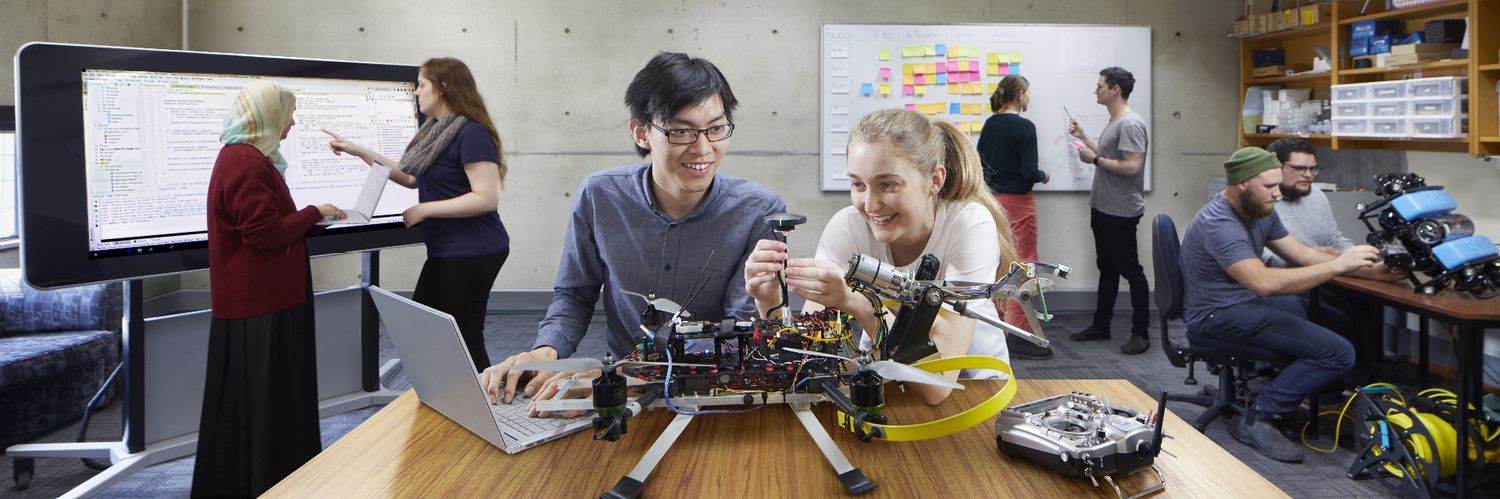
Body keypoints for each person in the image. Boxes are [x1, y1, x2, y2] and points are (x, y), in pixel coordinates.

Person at [479, 52, 786, 405]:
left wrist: (634, 372)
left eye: (716, 129)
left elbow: (737, 334)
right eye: (681, 131)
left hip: (716, 393)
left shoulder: (761, 212)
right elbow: (575, 295)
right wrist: (547, 352)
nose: (703, 149)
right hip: (620, 394)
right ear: (641, 132)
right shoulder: (600, 197)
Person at [744, 108, 1020, 405]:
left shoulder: (968, 224)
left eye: (888, 184)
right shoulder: (847, 227)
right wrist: (770, 301)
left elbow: (937, 385)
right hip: (886, 383)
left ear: (935, 180)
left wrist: (857, 303)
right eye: (858, 184)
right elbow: (806, 357)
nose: (871, 204)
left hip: (973, 390)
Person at [1180, 147, 1379, 463]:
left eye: (1277, 185)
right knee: (1338, 352)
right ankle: (1260, 415)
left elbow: (1302, 255)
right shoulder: (1220, 223)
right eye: (1269, 187)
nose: (1277, 193)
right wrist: (1338, 266)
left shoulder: (1260, 210)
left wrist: (1374, 268)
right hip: (1216, 317)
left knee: (1336, 321)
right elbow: (1264, 282)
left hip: (1247, 305)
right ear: (1242, 183)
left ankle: (1305, 395)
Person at [194, 81, 344, 497]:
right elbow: (262, 234)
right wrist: (316, 212)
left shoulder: (247, 158)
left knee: (262, 404)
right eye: (287, 114)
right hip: (262, 304)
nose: (292, 123)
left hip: (262, 300)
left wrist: (308, 218)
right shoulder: (245, 162)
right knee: (268, 403)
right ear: (266, 115)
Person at [325, 57, 508, 372]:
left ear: (442, 88)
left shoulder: (470, 132)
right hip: (448, 250)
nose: (416, 92)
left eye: (422, 85)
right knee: (426, 327)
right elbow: (410, 176)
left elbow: (486, 198)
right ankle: (451, 398)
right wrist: (360, 151)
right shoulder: (435, 132)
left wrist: (425, 208)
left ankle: (489, 409)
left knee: (464, 336)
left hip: (475, 249)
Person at [1067, 66, 1151, 355]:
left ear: (1116, 89)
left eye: (1100, 85)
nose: (1096, 90)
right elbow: (1109, 154)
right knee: (1108, 269)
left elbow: (1132, 167)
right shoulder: (1116, 121)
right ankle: (1101, 325)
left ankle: (1141, 333)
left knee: (1131, 271)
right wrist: (1086, 137)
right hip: (1103, 207)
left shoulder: (1130, 123)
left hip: (1121, 211)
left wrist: (1095, 160)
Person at [976, 74, 1053, 360]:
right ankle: (1020, 334)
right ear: (1020, 94)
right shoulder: (1024, 127)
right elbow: (1028, 173)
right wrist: (1043, 176)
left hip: (991, 202)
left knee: (997, 265)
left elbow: (980, 167)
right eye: (1028, 93)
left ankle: (996, 327)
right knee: (1024, 265)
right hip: (1019, 204)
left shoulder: (990, 124)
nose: (1030, 98)